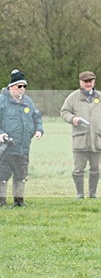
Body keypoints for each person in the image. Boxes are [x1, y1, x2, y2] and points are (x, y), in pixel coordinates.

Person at [60, 71, 101, 199]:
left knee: (95, 169)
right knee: (78, 169)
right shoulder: (73, 97)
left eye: (90, 81)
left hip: (97, 140)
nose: (88, 83)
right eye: (85, 81)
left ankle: (93, 194)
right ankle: (80, 194)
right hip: (80, 140)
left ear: (94, 81)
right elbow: (64, 111)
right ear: (80, 82)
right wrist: (73, 119)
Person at [0, 70, 44, 207]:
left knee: (21, 175)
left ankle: (19, 202)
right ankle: (1, 202)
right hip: (6, 147)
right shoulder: (2, 101)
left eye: (24, 86)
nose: (22, 89)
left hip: (23, 147)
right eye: (19, 86)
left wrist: (39, 129)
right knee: (2, 175)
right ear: (11, 87)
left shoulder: (28, 101)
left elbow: (36, 116)